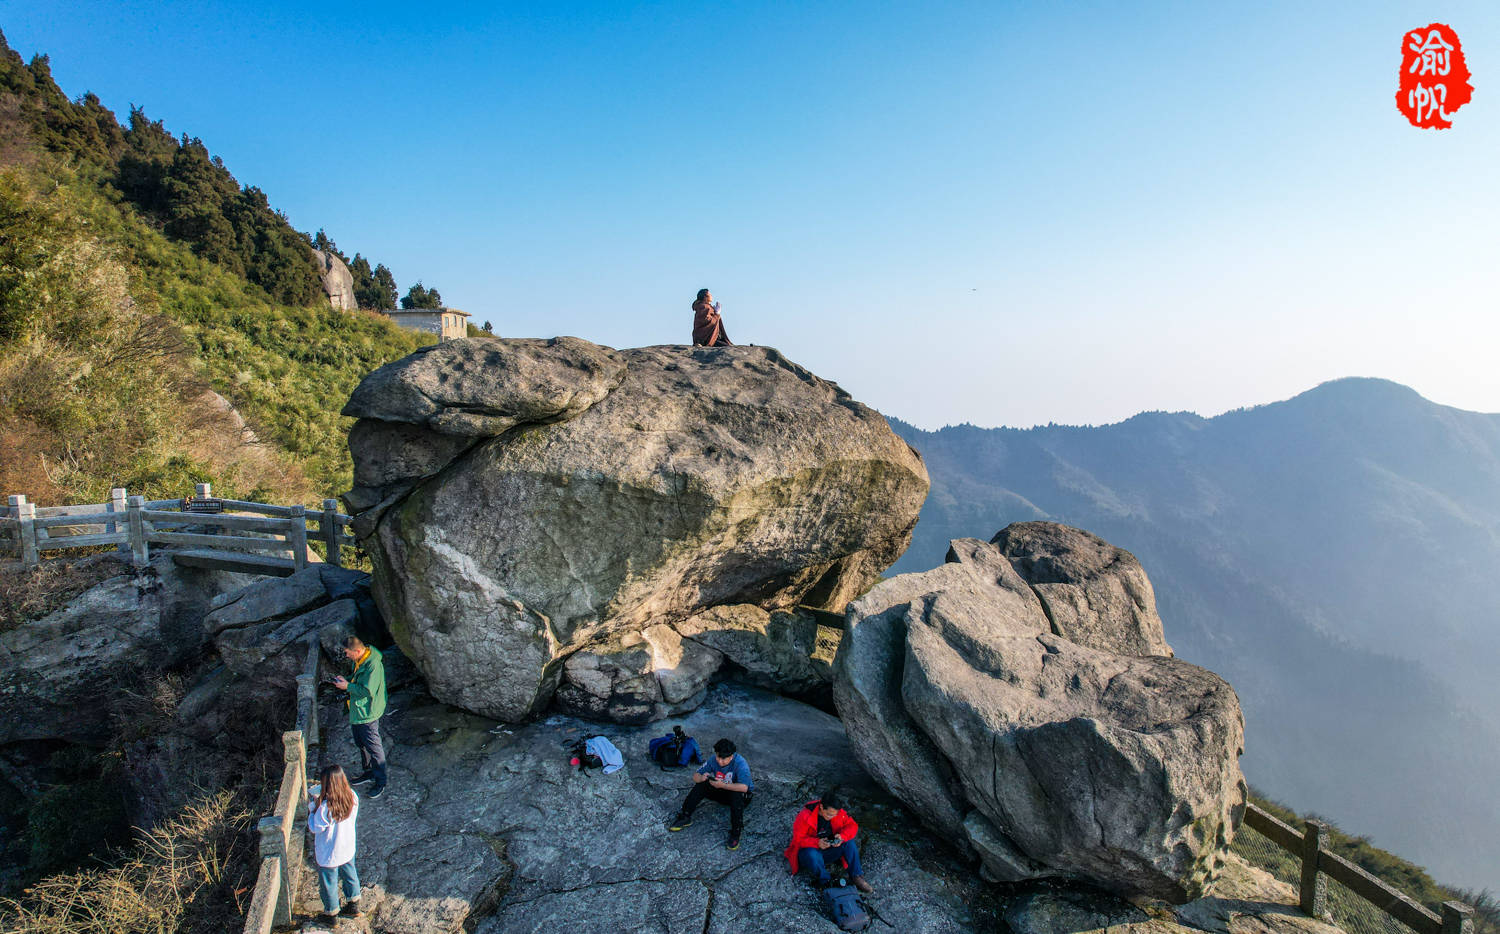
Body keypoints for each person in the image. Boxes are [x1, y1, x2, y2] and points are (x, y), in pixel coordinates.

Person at [667, 737, 753, 849]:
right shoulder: (713, 760)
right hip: (722, 790)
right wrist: (702, 778)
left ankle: (736, 833)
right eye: (718, 757)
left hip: (740, 795)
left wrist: (723, 785)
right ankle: (685, 816)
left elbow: (744, 788)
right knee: (702, 784)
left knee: (736, 794)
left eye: (724, 759)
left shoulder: (740, 764)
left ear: (731, 756)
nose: (720, 761)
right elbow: (695, 776)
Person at [783, 791, 874, 894]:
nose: (832, 817)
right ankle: (826, 881)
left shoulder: (836, 812)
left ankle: (856, 876)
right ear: (821, 807)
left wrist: (841, 837)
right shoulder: (804, 816)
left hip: (828, 845)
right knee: (812, 854)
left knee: (849, 843)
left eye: (834, 815)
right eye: (829, 814)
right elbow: (798, 840)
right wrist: (817, 843)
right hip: (809, 851)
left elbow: (852, 826)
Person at [331, 635, 388, 799]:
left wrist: (347, 686)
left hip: (367, 713)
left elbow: (367, 691)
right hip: (358, 711)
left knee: (374, 747)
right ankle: (369, 771)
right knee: (361, 742)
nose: (346, 656)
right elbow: (358, 680)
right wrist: (347, 680)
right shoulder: (360, 660)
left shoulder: (373, 665)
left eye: (348, 653)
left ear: (357, 650)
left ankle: (380, 781)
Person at [308, 764, 362, 921]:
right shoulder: (352, 796)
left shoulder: (326, 808)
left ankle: (331, 914)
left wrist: (313, 808)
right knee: (350, 874)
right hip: (346, 847)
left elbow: (314, 827)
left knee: (329, 883)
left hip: (329, 852)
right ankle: (353, 904)